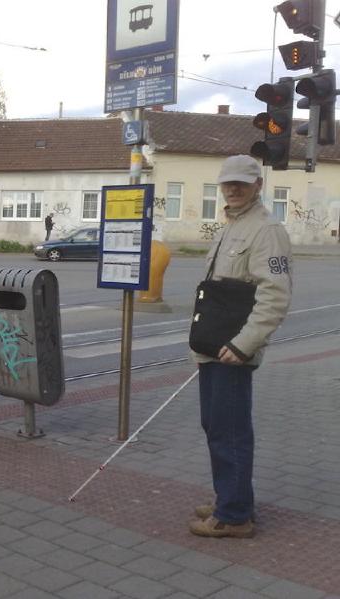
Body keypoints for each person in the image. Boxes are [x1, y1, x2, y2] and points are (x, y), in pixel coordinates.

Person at [189, 155, 292, 539]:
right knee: (215, 425)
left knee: (229, 431)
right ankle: (229, 498)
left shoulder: (267, 231)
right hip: (214, 345)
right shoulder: (231, 227)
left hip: (233, 350)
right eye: (227, 183)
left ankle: (233, 516)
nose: (232, 189)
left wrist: (244, 345)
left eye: (241, 183)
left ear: (257, 185)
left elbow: (275, 297)